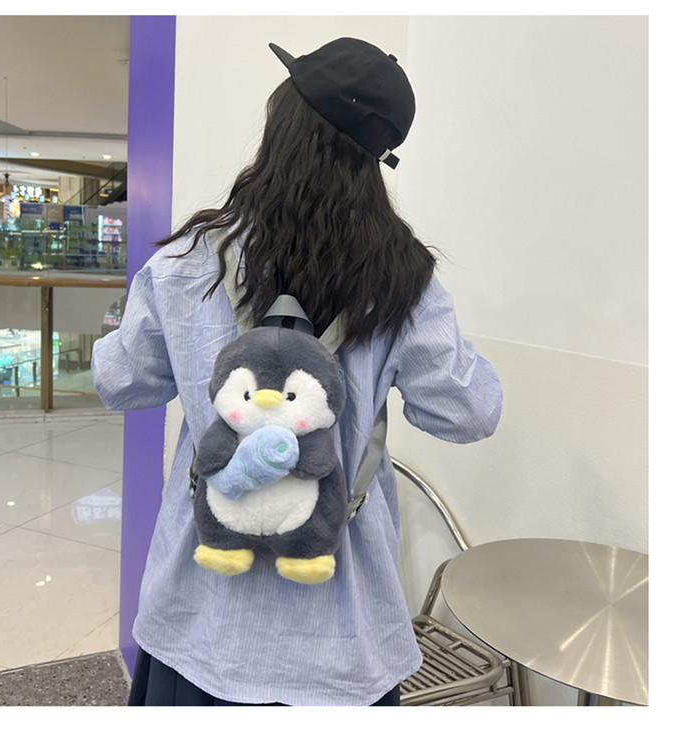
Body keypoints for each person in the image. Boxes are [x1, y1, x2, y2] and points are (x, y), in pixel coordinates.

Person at [91, 37, 502, 706]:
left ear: (280, 126)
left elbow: (120, 381)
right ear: (375, 159)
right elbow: (471, 412)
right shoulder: (404, 280)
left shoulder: (187, 262)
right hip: (341, 632)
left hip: (202, 618)